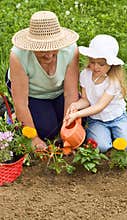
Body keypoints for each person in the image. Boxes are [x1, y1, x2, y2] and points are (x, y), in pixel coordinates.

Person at [6, 11, 79, 148]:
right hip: (32, 93)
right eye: (42, 50)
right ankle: (10, 113)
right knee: (47, 131)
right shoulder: (18, 56)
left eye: (53, 48)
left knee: (77, 119)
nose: (49, 55)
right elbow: (21, 102)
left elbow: (70, 94)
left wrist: (66, 133)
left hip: (58, 91)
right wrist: (34, 139)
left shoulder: (71, 50)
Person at [64, 34, 127, 152]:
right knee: (100, 147)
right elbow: (86, 100)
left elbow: (100, 106)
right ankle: (107, 133)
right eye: (92, 62)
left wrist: (77, 114)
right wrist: (75, 105)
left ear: (111, 64)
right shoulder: (85, 75)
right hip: (96, 119)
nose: (95, 67)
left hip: (116, 117)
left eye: (101, 64)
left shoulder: (113, 81)